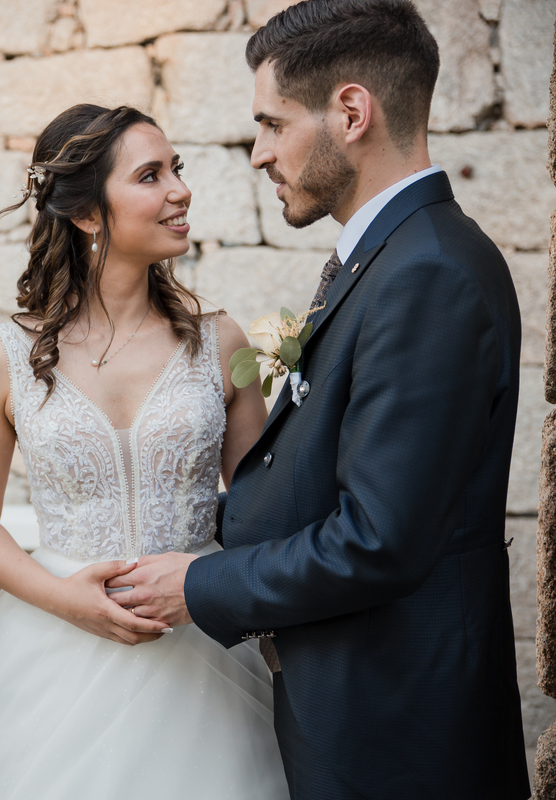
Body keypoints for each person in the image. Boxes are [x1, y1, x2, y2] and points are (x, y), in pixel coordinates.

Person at [106, 1, 530, 798]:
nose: (260, 153)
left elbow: (377, 540)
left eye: (272, 123)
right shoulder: (389, 254)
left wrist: (196, 586)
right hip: (355, 703)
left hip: (397, 731)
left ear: (351, 110)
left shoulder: (427, 272)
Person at [0, 104, 290, 798]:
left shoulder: (221, 343)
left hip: (201, 639)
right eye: (151, 175)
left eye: (178, 169)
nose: (180, 190)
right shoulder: (8, 358)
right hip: (53, 646)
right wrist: (65, 600)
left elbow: (266, 511)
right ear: (87, 215)